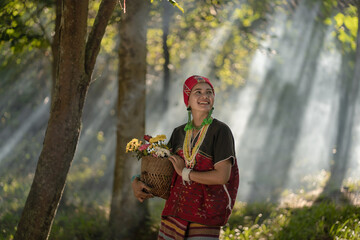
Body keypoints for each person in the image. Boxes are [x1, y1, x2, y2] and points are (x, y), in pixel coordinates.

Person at [132, 75, 239, 239]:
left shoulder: (220, 131)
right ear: (187, 100)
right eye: (198, 92)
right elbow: (165, 171)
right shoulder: (179, 133)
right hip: (175, 212)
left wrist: (185, 172)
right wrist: (137, 181)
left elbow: (222, 176)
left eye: (209, 92)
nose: (205, 96)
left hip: (205, 214)